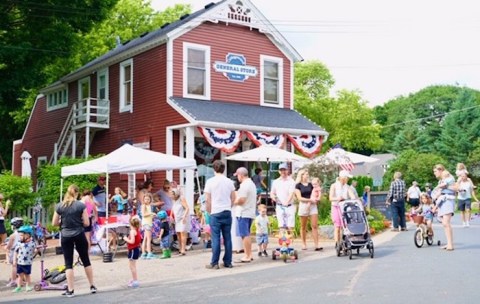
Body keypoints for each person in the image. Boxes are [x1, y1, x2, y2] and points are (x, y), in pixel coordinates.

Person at [52, 184, 97, 298]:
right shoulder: (80, 205)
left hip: (66, 235)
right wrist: (78, 222)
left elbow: (54, 223)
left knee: (68, 263)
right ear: (77, 193)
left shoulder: (60, 206)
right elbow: (87, 223)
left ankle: (71, 290)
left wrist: (64, 223)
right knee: (86, 260)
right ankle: (92, 286)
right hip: (79, 234)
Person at [204, 160, 235, 270]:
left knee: (215, 238)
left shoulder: (210, 182)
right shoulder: (229, 182)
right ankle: (228, 261)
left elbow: (207, 199)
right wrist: (228, 206)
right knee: (227, 238)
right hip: (226, 211)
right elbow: (233, 198)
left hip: (215, 211)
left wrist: (209, 210)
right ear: (224, 169)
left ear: (214, 169)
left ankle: (214, 262)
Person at [233, 167, 257, 262]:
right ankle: (249, 254)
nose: (237, 177)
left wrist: (234, 202)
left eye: (238, 175)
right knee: (246, 233)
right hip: (249, 211)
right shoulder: (251, 184)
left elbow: (242, 200)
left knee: (244, 234)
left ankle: (247, 255)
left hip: (243, 212)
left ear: (241, 175)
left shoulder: (244, 185)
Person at [294, 169, 322, 251]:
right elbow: (299, 198)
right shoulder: (298, 185)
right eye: (305, 174)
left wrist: (317, 198)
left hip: (313, 205)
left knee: (314, 225)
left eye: (307, 174)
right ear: (301, 176)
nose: (307, 175)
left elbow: (316, 191)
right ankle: (303, 243)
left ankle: (316, 245)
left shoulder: (311, 184)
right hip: (304, 205)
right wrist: (310, 200)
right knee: (303, 226)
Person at [432, 164, 457, 251]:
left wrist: (446, 186)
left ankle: (450, 245)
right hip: (442, 201)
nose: (434, 173)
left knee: (446, 222)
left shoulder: (449, 178)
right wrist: (434, 203)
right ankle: (449, 243)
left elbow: (456, 188)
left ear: (440, 170)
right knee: (444, 224)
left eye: (435, 171)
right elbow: (439, 192)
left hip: (448, 200)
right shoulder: (441, 180)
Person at [329, 170, 356, 249]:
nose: (348, 179)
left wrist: (353, 199)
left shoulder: (347, 186)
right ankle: (337, 244)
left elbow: (352, 196)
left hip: (344, 207)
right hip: (336, 207)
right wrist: (338, 198)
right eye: (347, 178)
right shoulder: (334, 185)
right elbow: (330, 198)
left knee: (344, 226)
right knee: (337, 226)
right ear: (343, 178)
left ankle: (343, 241)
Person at [270, 163, 296, 235]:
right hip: (280, 206)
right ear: (279, 171)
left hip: (289, 206)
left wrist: (286, 202)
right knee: (281, 226)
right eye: (281, 170)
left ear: (287, 170)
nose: (283, 172)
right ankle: (283, 244)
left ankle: (289, 244)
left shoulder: (291, 181)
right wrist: (273, 197)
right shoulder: (275, 182)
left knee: (290, 226)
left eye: (284, 170)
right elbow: (272, 193)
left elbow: (291, 193)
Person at [11, 225, 36, 293]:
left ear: (27, 235)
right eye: (19, 235)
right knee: (20, 275)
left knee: (27, 275)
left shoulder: (32, 243)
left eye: (21, 235)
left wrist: (37, 250)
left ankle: (28, 286)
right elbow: (16, 252)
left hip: (27, 262)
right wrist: (14, 260)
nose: (20, 237)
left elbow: (35, 250)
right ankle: (19, 287)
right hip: (20, 262)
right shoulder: (19, 243)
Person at [123, 216, 141, 288]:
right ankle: (134, 279)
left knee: (132, 267)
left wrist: (126, 239)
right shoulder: (137, 230)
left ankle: (135, 281)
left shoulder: (132, 231)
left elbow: (132, 241)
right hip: (135, 249)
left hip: (133, 249)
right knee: (132, 266)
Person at [171, 188, 190, 256]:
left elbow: (187, 208)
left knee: (182, 233)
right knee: (178, 234)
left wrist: (184, 217)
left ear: (176, 194)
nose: (171, 196)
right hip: (177, 219)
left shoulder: (181, 199)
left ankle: (183, 249)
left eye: (172, 195)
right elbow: (173, 209)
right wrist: (171, 215)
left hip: (182, 218)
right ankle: (180, 248)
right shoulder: (174, 201)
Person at [5, 217, 23, 288]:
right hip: (22, 251)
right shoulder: (23, 234)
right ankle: (21, 280)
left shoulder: (12, 235)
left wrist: (6, 247)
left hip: (14, 252)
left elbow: (9, 246)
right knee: (21, 266)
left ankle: (13, 281)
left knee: (14, 266)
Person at [140, 191, 156, 259]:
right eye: (145, 199)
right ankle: (149, 252)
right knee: (149, 239)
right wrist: (151, 213)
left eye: (148, 199)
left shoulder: (149, 206)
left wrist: (152, 216)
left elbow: (148, 215)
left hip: (149, 222)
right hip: (146, 223)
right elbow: (143, 214)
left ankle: (143, 253)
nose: (147, 200)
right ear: (143, 199)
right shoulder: (143, 206)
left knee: (146, 238)